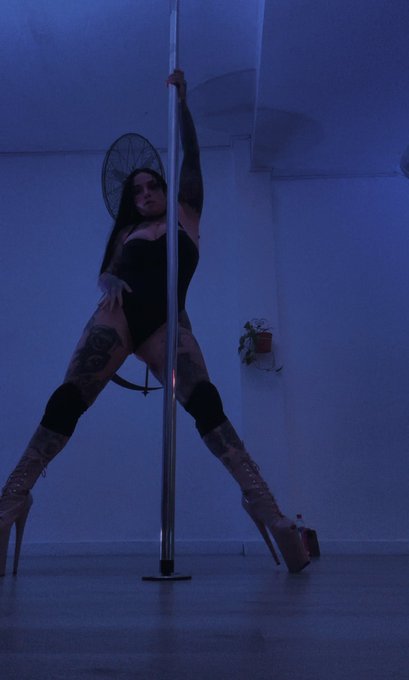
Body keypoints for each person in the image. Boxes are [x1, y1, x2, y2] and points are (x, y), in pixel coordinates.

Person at [0, 70, 309, 577]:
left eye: (152, 185)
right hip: (118, 317)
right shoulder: (127, 232)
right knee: (68, 399)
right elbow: (107, 273)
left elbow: (193, 157)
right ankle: (12, 499)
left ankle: (266, 507)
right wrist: (108, 282)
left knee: (205, 402)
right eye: (137, 190)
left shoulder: (187, 213)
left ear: (166, 190)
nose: (144, 192)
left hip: (168, 323)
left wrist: (182, 106)